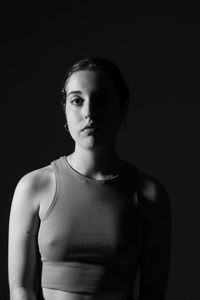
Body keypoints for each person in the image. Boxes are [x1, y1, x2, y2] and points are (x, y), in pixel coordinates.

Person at [8, 57, 171, 300]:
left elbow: (153, 295)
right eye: (77, 100)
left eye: (102, 101)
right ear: (65, 109)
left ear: (122, 108)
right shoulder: (34, 187)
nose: (89, 112)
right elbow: (21, 290)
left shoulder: (149, 195)